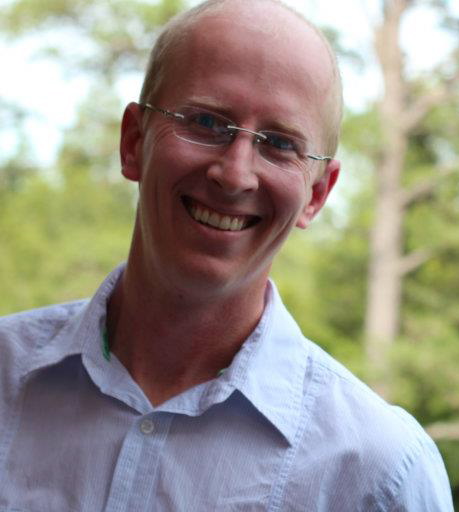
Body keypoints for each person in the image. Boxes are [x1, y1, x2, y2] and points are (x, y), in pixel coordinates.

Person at [0, 0, 453, 510]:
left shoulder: (378, 476)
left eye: (279, 143)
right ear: (133, 142)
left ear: (317, 194)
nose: (235, 175)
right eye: (207, 122)